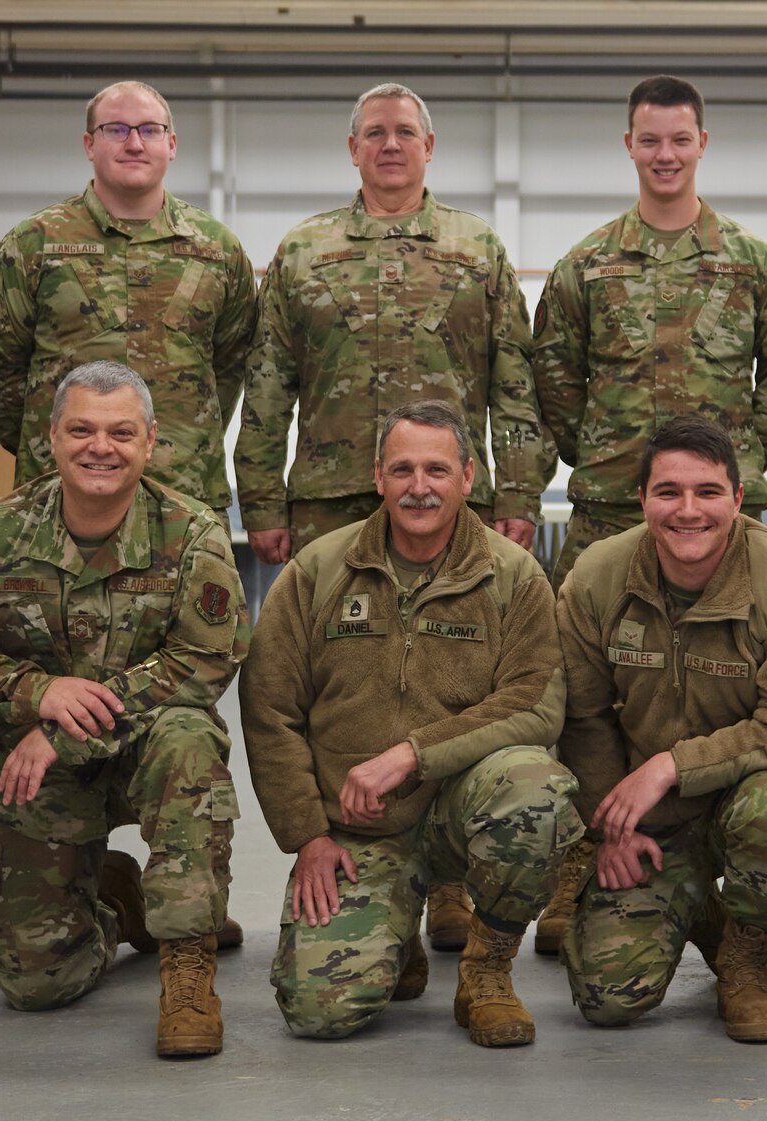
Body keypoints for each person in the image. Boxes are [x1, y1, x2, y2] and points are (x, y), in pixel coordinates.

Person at [236, 84, 551, 951]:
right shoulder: (304, 251)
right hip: (332, 499)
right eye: (373, 133)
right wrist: (260, 497)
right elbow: (267, 386)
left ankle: (450, 875)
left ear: (430, 144)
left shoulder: (475, 247)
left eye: (403, 133)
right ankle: (353, 852)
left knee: (457, 684)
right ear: (352, 149)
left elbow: (513, 379)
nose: (389, 145)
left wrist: (518, 492)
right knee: (349, 689)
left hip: (452, 502)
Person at [0, 362, 251, 1058]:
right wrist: (37, 692)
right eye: (82, 429)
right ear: (52, 440)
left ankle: (188, 966)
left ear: (150, 441)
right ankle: (120, 905)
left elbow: (207, 659)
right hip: (43, 774)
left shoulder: (192, 533)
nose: (102, 446)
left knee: (189, 742)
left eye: (122, 431)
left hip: (143, 749)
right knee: (36, 982)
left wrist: (67, 722)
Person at [242, 399, 580, 1047]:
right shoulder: (319, 569)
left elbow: (538, 703)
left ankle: (485, 967)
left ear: (468, 477)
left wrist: (412, 753)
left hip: (461, 809)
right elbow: (268, 706)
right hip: (360, 827)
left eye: (436, 469)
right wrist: (307, 835)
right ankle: (396, 939)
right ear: (377, 476)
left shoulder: (512, 576)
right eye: (402, 469)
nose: (419, 487)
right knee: (319, 1012)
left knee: (537, 789)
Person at [556, 416, 767, 1043]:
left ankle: (742, 961)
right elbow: (581, 717)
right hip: (653, 818)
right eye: (668, 492)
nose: (688, 511)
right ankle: (701, 906)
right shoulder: (596, 577)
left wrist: (671, 765)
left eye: (708, 492)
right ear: (642, 500)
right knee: (607, 998)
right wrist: (611, 826)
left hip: (758, 798)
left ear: (739, 500)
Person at [532, 74, 767, 585]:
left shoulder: (754, 263)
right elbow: (554, 377)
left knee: (733, 646)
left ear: (701, 143)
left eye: (680, 140)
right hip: (611, 506)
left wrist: (737, 453)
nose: (666, 155)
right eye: (651, 140)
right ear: (629, 146)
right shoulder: (585, 264)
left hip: (720, 512)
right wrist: (605, 449)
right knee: (583, 646)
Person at [0, 80, 257, 515]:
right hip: (59, 498)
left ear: (171, 143)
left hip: (182, 495)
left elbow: (230, 367)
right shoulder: (33, 244)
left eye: (149, 130)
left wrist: (179, 439)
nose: (133, 143)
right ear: (90, 144)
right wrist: (51, 445)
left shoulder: (218, 249)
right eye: (116, 130)